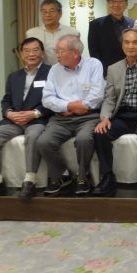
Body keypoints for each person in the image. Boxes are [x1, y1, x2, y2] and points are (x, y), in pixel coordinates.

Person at [0, 37, 52, 200]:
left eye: (35, 50)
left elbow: (55, 100)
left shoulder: (52, 73)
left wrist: (35, 113)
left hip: (38, 119)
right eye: (27, 51)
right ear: (21, 55)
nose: (31, 54)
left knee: (33, 136)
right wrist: (9, 113)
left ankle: (30, 180)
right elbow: (6, 100)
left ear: (43, 53)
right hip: (14, 120)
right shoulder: (14, 76)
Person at [91, 28, 137, 197]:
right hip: (121, 115)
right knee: (100, 133)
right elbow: (109, 98)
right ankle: (108, 177)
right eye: (127, 42)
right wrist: (105, 118)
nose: (130, 46)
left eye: (135, 42)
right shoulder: (113, 69)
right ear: (122, 45)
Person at [37, 34, 105, 196]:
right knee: (43, 142)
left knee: (84, 139)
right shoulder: (54, 70)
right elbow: (47, 98)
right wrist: (68, 106)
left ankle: (83, 176)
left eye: (60, 51)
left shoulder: (94, 65)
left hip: (88, 117)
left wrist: (82, 106)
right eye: (56, 51)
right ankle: (60, 174)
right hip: (61, 118)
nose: (57, 54)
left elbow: (97, 95)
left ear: (75, 53)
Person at [88, 0, 134, 75]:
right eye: (112, 1)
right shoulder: (96, 24)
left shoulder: (133, 23)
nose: (116, 4)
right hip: (107, 72)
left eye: (120, 1)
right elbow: (94, 53)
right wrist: (106, 72)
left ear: (126, 3)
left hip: (131, 71)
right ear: (108, 3)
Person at [26, 0, 79, 65]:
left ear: (60, 13)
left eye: (52, 11)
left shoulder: (72, 32)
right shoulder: (31, 33)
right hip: (40, 70)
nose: (47, 15)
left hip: (65, 69)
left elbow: (76, 55)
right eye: (44, 12)